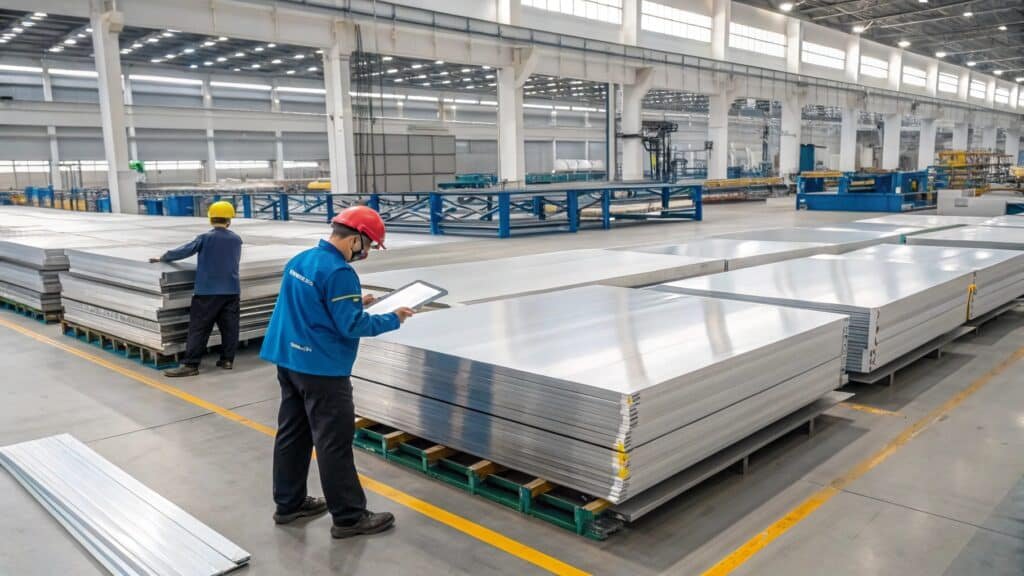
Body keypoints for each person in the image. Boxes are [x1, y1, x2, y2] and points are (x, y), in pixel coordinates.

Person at [260, 206, 414, 539]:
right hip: (322, 370)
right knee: (334, 443)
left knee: (293, 434)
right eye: (368, 245)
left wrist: (357, 300)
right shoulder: (340, 271)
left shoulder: (302, 260)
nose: (367, 252)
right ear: (356, 239)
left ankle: (289, 504)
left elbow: (311, 303)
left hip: (289, 361)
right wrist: (393, 317)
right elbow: (351, 325)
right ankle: (349, 517)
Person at [152, 201, 243, 378]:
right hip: (231, 291)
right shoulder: (236, 239)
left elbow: (184, 251)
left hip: (207, 292)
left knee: (199, 328)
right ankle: (227, 360)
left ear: (210, 220)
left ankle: (191, 365)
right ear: (229, 220)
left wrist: (163, 257)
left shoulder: (205, 238)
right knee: (230, 328)